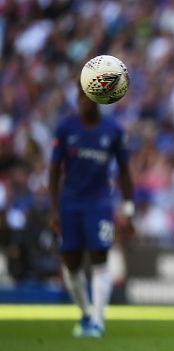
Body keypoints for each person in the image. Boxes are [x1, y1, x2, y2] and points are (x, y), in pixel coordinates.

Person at [48, 87, 135, 338]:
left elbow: (124, 172)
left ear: (98, 98)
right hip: (70, 203)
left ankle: (98, 320)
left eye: (88, 96)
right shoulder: (65, 128)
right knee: (71, 261)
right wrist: (54, 210)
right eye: (80, 96)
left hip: (99, 203)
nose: (83, 101)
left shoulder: (114, 131)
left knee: (99, 257)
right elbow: (54, 171)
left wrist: (128, 210)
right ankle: (85, 313)